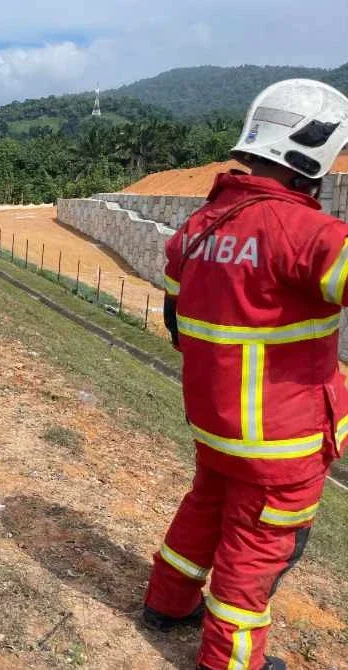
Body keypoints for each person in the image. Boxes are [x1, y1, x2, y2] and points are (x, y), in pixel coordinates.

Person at [144, 79, 348, 670]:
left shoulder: (202, 225)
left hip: (216, 424)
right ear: (313, 155)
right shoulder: (310, 234)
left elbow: (176, 319)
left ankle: (168, 600)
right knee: (255, 554)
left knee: (205, 507)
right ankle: (231, 662)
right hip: (283, 442)